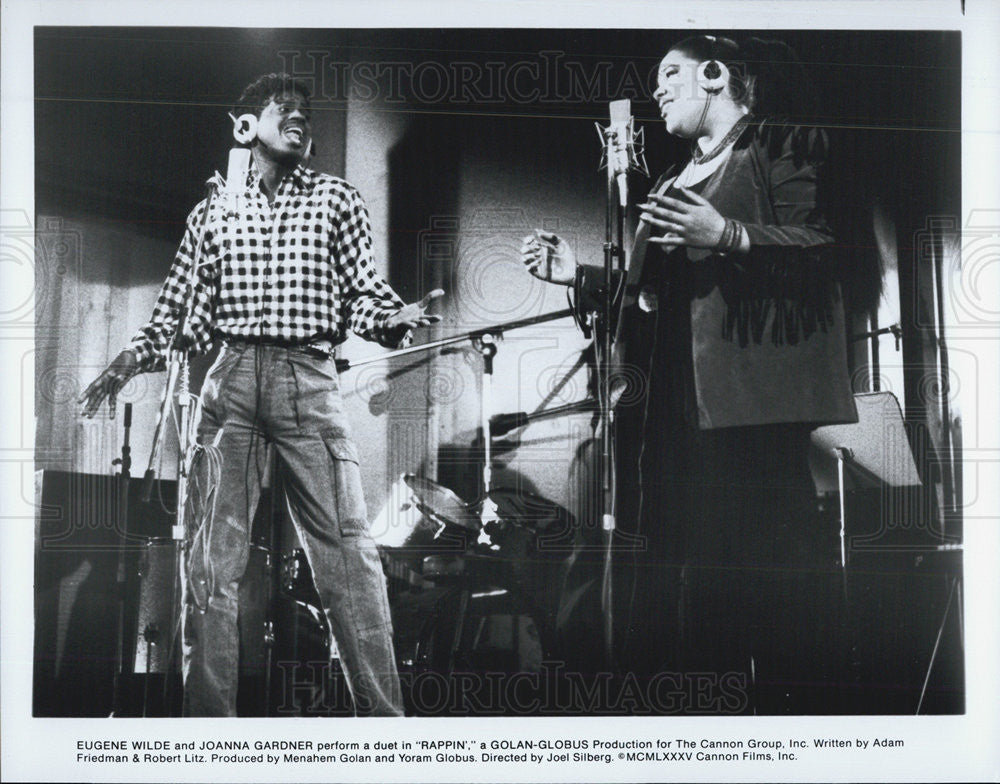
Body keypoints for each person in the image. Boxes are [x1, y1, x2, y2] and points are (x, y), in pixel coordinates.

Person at [80, 73, 442, 717]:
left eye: (308, 111)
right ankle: (208, 734)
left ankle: (387, 728)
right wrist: (133, 356)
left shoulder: (336, 199)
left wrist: (395, 316)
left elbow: (361, 290)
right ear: (245, 126)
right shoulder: (212, 212)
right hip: (230, 383)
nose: (302, 116)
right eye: (286, 108)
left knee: (349, 558)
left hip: (309, 380)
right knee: (210, 568)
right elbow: (177, 315)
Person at [522, 36, 862, 713]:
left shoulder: (777, 144)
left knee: (781, 595)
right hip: (672, 423)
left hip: (753, 420)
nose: (660, 90)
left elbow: (827, 248)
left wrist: (729, 234)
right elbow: (646, 291)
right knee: (696, 602)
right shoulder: (669, 183)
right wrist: (578, 275)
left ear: (715, 75)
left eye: (671, 74)